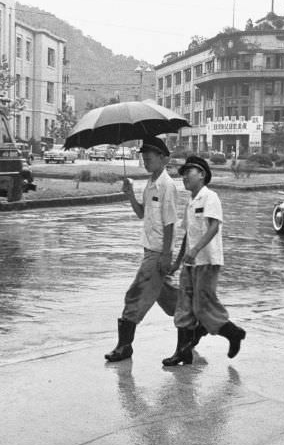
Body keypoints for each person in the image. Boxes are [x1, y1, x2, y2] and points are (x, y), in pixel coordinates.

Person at [161, 156, 246, 367]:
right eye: (182, 174)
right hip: (190, 263)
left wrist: (196, 250)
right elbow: (188, 235)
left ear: (202, 174)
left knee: (203, 306)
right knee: (184, 307)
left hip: (207, 261)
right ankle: (182, 353)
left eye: (188, 172)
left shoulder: (210, 197)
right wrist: (178, 262)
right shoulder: (190, 202)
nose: (184, 177)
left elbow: (214, 227)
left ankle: (233, 333)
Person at [104, 136, 179, 363]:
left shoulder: (167, 185)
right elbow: (141, 213)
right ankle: (195, 321)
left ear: (163, 159)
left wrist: (166, 255)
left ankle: (124, 346)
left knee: (135, 295)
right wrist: (130, 195)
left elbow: (170, 223)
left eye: (149, 158)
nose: (146, 162)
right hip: (149, 249)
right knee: (171, 299)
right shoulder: (150, 183)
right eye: (144, 158)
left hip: (157, 253)